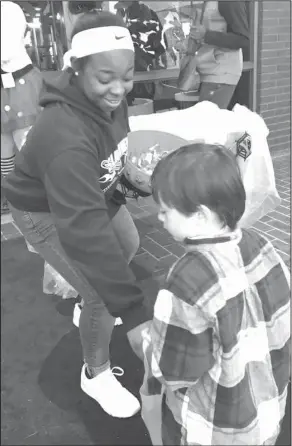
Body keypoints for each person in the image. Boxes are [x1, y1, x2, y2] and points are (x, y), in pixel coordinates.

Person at [3, 11, 150, 419]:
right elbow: (86, 233)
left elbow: (111, 148)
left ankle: (91, 309)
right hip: (41, 210)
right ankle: (95, 372)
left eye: (128, 75)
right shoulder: (63, 134)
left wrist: (130, 182)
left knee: (130, 244)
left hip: (90, 191)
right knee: (101, 290)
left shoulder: (107, 99)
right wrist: (135, 313)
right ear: (77, 67)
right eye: (106, 78)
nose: (119, 89)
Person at [140, 143, 291, 445]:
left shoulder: (187, 279)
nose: (160, 218)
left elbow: (177, 370)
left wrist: (149, 342)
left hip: (217, 424)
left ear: (199, 215)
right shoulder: (262, 245)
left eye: (165, 211)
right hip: (268, 407)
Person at [1, 1, 43, 213]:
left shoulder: (10, 9)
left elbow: (5, 50)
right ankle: (12, 193)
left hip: (20, 84)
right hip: (3, 85)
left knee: (27, 143)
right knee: (3, 147)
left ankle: (39, 193)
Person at [189, 0, 250, 109]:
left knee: (210, 123)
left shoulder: (230, 2)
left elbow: (243, 39)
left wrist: (206, 34)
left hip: (222, 73)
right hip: (210, 71)